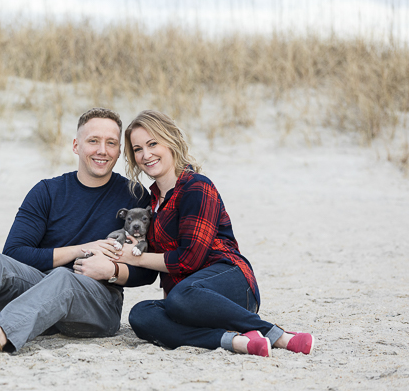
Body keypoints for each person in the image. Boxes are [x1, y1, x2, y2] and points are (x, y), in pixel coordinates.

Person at [0, 107, 156, 357]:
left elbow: (147, 272)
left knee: (64, 277)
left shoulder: (134, 195)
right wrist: (82, 250)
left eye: (111, 143)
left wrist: (113, 271)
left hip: (99, 305)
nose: (102, 150)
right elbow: (15, 252)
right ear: (76, 145)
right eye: (93, 141)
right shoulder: (47, 192)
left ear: (118, 150)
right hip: (38, 301)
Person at [112, 110, 314, 357]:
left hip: (230, 283)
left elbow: (188, 259)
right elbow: (155, 267)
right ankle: (236, 341)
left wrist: (133, 257)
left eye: (153, 144)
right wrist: (111, 263)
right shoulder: (149, 203)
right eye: (138, 149)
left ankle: (277, 335)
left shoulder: (196, 186)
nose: (146, 155)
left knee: (181, 296)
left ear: (171, 141)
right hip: (186, 303)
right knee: (141, 314)